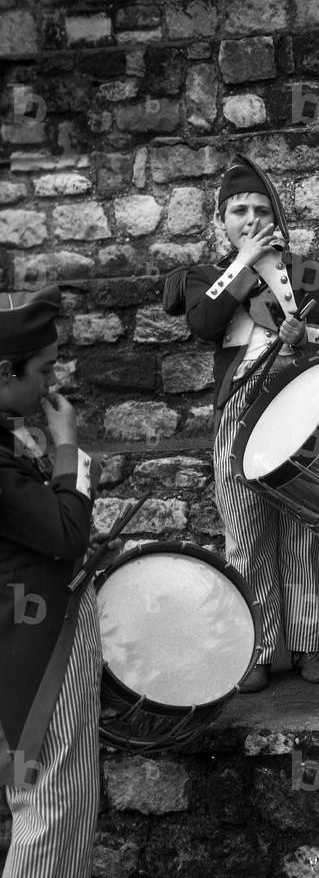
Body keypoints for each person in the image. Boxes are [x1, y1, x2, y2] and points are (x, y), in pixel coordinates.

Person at [164, 154, 319, 693]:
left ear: (278, 217)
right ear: (221, 220)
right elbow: (204, 323)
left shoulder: (306, 274)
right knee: (246, 539)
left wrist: (303, 337)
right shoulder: (206, 278)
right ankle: (258, 648)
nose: (249, 218)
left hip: (299, 416)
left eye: (260, 209)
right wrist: (242, 264)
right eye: (238, 210)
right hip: (237, 418)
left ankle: (310, 643)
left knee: (302, 536)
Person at [0, 286, 104, 878]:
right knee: (49, 804)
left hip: (24, 637)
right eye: (41, 371)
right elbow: (65, 534)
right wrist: (67, 447)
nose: (48, 384)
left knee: (52, 799)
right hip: (33, 651)